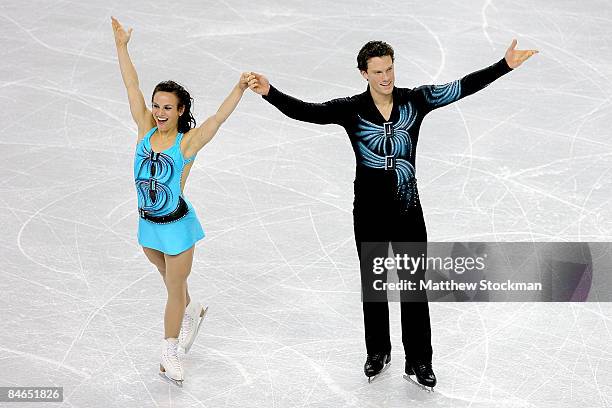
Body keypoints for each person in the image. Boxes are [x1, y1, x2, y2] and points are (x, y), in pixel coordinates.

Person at [247, 39, 537, 391]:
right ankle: (378, 352)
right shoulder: (351, 109)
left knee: (414, 287)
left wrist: (503, 65)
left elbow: (461, 87)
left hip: (407, 208)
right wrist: (270, 92)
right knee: (375, 284)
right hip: (368, 210)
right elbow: (310, 111)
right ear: (363, 73)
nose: (385, 77)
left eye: (389, 69)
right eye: (377, 71)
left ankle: (419, 360)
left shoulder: (416, 100)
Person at [111, 16, 250, 387]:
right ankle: (192, 308)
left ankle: (170, 350)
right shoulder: (143, 127)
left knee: (173, 288)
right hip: (148, 227)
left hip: (178, 227)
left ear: (181, 111)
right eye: (157, 105)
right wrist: (122, 47)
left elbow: (218, 119)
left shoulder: (185, 143)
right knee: (168, 278)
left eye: (167, 108)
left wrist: (239, 88)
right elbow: (130, 83)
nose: (159, 112)